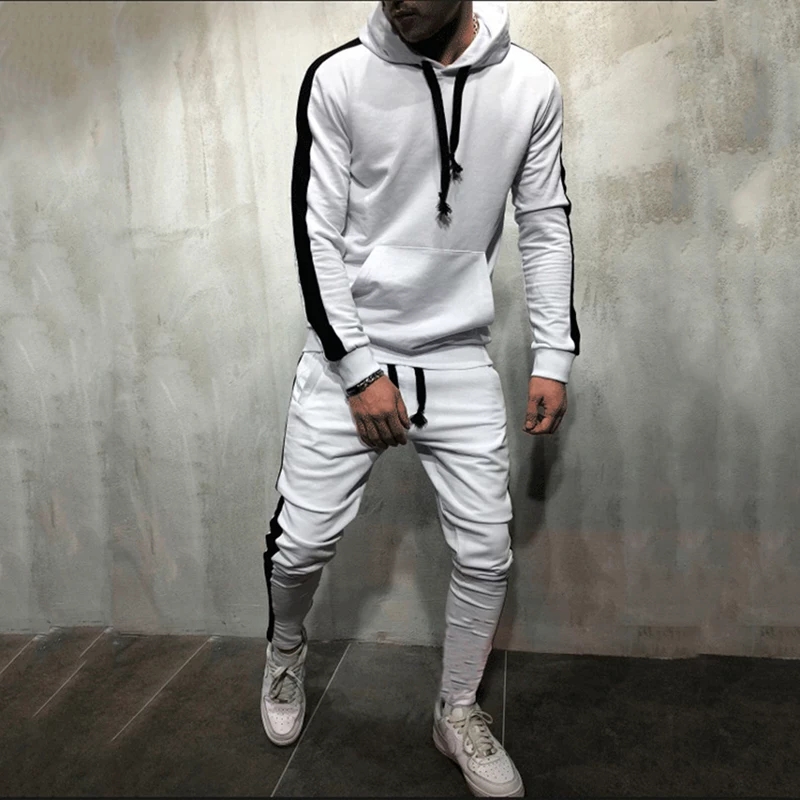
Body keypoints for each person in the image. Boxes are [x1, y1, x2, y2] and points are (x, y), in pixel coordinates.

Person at [261, 1, 580, 796]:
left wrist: (553, 354)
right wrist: (358, 369)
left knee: (487, 551)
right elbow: (314, 233)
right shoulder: (339, 77)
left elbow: (544, 222)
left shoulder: (530, 86)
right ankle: (286, 647)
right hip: (351, 354)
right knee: (299, 545)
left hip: (457, 353)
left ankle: (456, 709)